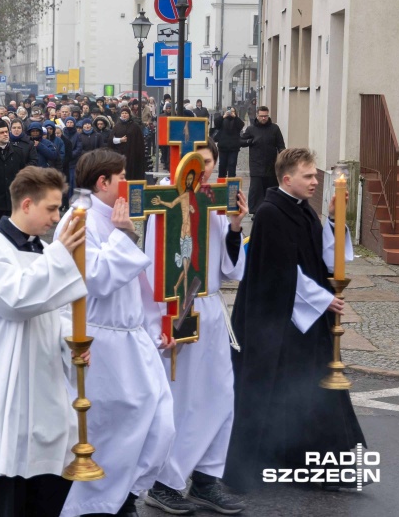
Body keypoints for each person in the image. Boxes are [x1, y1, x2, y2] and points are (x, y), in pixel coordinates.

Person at [224, 147, 364, 492]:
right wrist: (322, 298)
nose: (316, 181)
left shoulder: (303, 210)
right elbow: (281, 272)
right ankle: (269, 461)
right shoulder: (271, 213)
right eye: (309, 176)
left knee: (308, 387)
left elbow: (321, 258)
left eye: (316, 175)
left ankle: (317, 465)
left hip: (303, 318)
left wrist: (334, 219)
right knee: (279, 388)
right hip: (275, 320)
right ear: (287, 179)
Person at [0, 167, 88, 517]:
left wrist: (71, 343)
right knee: (6, 486)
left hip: (42, 390)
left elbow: (54, 314)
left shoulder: (44, 253)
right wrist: (61, 255)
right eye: (51, 209)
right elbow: (16, 300)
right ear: (27, 204)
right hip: (5, 390)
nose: (56, 218)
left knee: (44, 487)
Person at [60, 149, 175, 517]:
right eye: (123, 176)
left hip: (133, 336)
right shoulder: (78, 220)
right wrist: (124, 236)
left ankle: (126, 494)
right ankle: (102, 504)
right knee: (113, 431)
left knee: (161, 425)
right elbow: (95, 278)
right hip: (101, 339)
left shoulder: (115, 216)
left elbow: (139, 283)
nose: (129, 183)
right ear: (103, 182)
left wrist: (159, 322)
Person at [142, 138, 249, 515]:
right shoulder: (166, 203)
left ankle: (206, 478)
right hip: (179, 307)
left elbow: (231, 270)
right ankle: (163, 481)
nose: (201, 169)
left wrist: (236, 227)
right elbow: (154, 265)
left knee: (220, 395)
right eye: (196, 162)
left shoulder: (218, 204)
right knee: (181, 401)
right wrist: (161, 320)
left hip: (213, 309)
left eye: (207, 162)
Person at [240, 105, 285, 213]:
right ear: (257, 115)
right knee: (256, 190)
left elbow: (281, 145)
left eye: (266, 116)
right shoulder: (251, 129)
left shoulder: (274, 128)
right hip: (256, 164)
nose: (264, 118)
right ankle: (256, 211)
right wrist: (250, 141)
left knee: (271, 189)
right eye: (261, 116)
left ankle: (271, 209)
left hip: (271, 164)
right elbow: (241, 142)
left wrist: (283, 157)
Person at [0, 117, 27, 222]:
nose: (5, 134)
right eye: (1, 132)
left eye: (7, 132)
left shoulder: (18, 152)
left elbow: (22, 178)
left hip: (14, 203)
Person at [108, 107, 146, 180]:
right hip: (119, 154)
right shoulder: (117, 126)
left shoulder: (135, 127)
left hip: (132, 155)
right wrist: (120, 140)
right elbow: (111, 140)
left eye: (126, 113)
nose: (124, 115)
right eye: (122, 113)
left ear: (129, 115)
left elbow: (139, 142)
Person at [215, 107, 245, 178]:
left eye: (232, 112)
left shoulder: (236, 120)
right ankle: (221, 181)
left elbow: (241, 125)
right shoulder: (222, 119)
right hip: (223, 146)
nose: (230, 113)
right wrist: (223, 116)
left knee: (232, 164)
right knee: (222, 164)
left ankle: (231, 181)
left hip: (234, 147)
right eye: (229, 112)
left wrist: (235, 117)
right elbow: (217, 124)